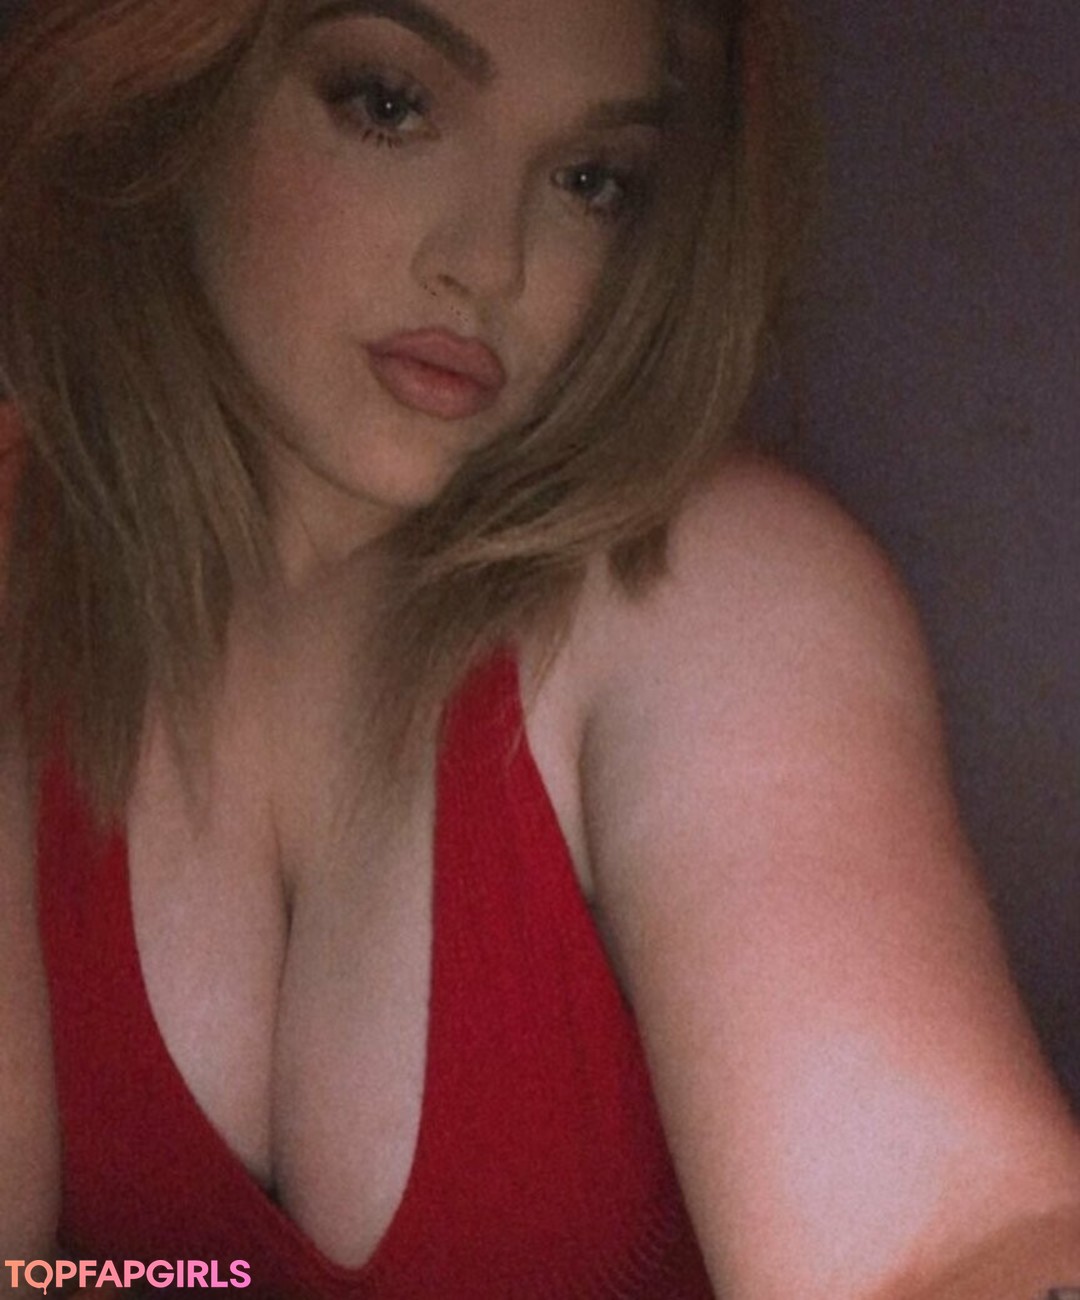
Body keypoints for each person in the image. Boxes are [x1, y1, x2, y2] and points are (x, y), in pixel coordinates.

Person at [1, 0, 1079, 1295]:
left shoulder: (705, 589)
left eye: (590, 179)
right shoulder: (27, 564)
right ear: (173, 87)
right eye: (390, 105)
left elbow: (944, 1231)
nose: (491, 262)